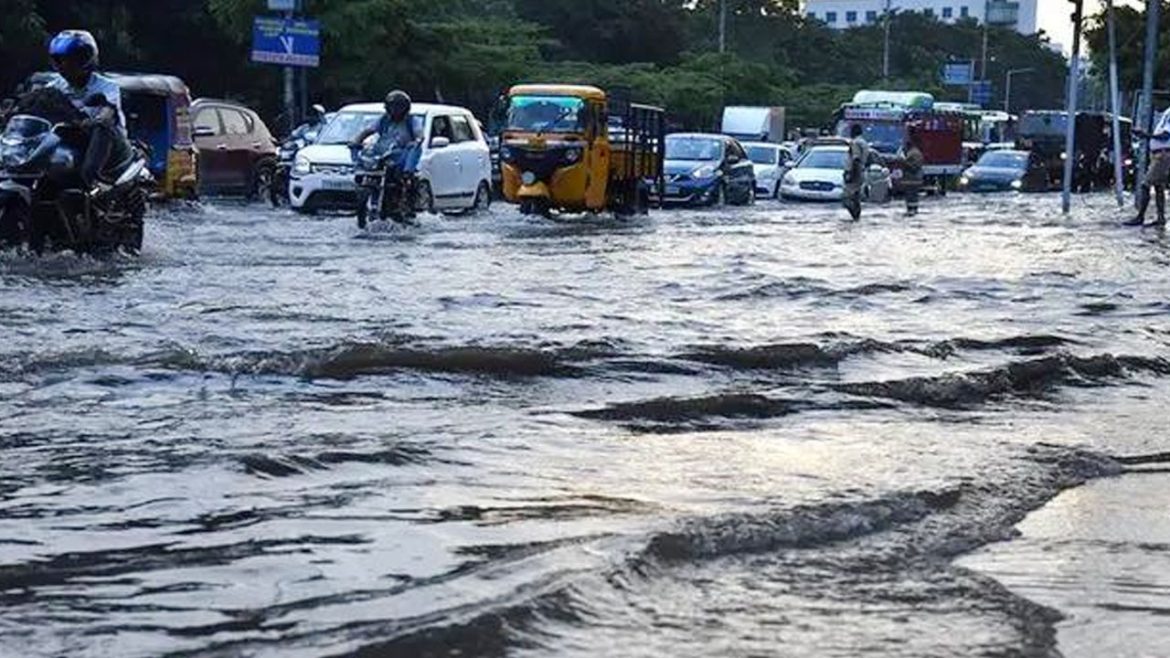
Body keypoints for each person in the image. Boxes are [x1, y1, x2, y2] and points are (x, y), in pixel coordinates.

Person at [44, 30, 130, 193]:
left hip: (110, 147)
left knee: (103, 127)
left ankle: (91, 180)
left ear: (86, 59)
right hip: (73, 141)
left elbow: (108, 112)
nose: (65, 65)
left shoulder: (107, 86)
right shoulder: (52, 88)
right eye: (60, 60)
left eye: (72, 60)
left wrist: (97, 119)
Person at [350, 90, 420, 174]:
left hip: (401, 152)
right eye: (391, 107)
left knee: (415, 148)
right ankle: (358, 169)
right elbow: (368, 130)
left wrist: (417, 141)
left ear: (404, 108)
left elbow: (418, 132)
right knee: (358, 149)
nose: (394, 110)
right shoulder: (383, 120)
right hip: (383, 151)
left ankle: (407, 173)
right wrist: (356, 140)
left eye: (397, 107)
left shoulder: (411, 120)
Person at [1125, 106, 1170, 227]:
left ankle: (1140, 216)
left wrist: (1146, 135)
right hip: (1158, 153)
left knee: (1145, 184)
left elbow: (1166, 135)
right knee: (1158, 186)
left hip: (1163, 154)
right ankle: (1160, 218)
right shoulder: (1166, 112)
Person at [890, 130, 924, 216]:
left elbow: (914, 166)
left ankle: (911, 212)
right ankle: (912, 211)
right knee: (912, 198)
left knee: (911, 197)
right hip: (913, 180)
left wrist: (903, 161)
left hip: (913, 180)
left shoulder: (914, 153)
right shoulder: (913, 152)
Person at [843, 123, 868, 221]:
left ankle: (854, 217)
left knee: (847, 198)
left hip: (854, 171)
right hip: (861, 171)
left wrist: (852, 174)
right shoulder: (864, 143)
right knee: (856, 197)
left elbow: (855, 159)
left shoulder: (855, 143)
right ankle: (857, 218)